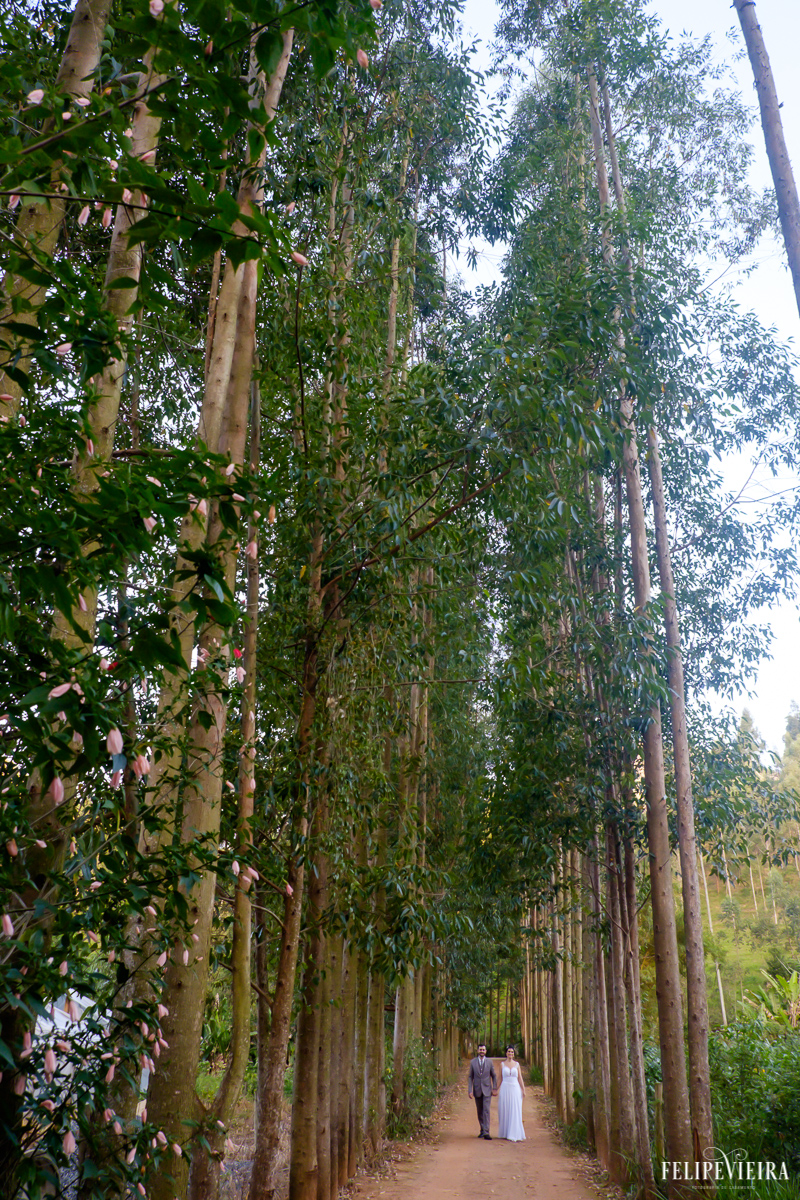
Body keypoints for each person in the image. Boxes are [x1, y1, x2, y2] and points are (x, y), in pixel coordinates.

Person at [467, 1043, 498, 1139]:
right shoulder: (473, 1062)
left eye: (483, 1050)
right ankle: (482, 1129)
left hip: (487, 1090)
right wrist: (470, 1090)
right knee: (479, 1111)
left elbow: (494, 1075)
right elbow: (470, 1077)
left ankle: (486, 1132)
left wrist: (494, 1088)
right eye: (480, 1049)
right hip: (477, 1090)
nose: (482, 1051)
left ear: (486, 1051)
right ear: (477, 1051)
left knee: (486, 1110)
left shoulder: (489, 1062)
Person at [496, 1045, 526, 1141]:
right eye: (509, 1051)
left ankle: (514, 1133)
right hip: (505, 1088)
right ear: (506, 1053)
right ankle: (505, 1131)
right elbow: (500, 1078)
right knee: (505, 1109)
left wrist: (523, 1089)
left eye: (512, 1052)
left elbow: (520, 1078)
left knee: (514, 1109)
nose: (510, 1053)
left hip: (515, 1088)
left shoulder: (517, 1065)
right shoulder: (502, 1065)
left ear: (514, 1054)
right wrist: (495, 1089)